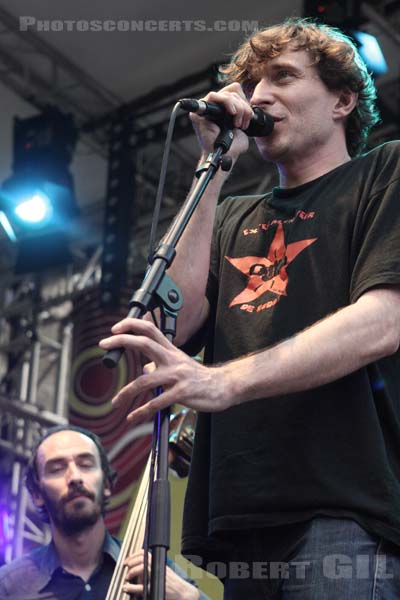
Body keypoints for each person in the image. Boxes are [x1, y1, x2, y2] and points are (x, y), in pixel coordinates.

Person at [99, 18, 400, 599]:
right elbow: (175, 322)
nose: (259, 95)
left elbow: (383, 321)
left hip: (346, 510)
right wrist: (211, 169)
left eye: (284, 77)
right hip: (240, 521)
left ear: (342, 100)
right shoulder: (233, 213)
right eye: (253, 82)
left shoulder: (383, 174)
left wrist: (223, 382)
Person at [0, 425, 207, 599]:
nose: (74, 477)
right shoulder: (10, 586)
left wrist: (188, 597)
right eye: (57, 469)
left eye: (86, 464)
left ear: (106, 484)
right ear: (36, 494)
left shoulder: (151, 572)